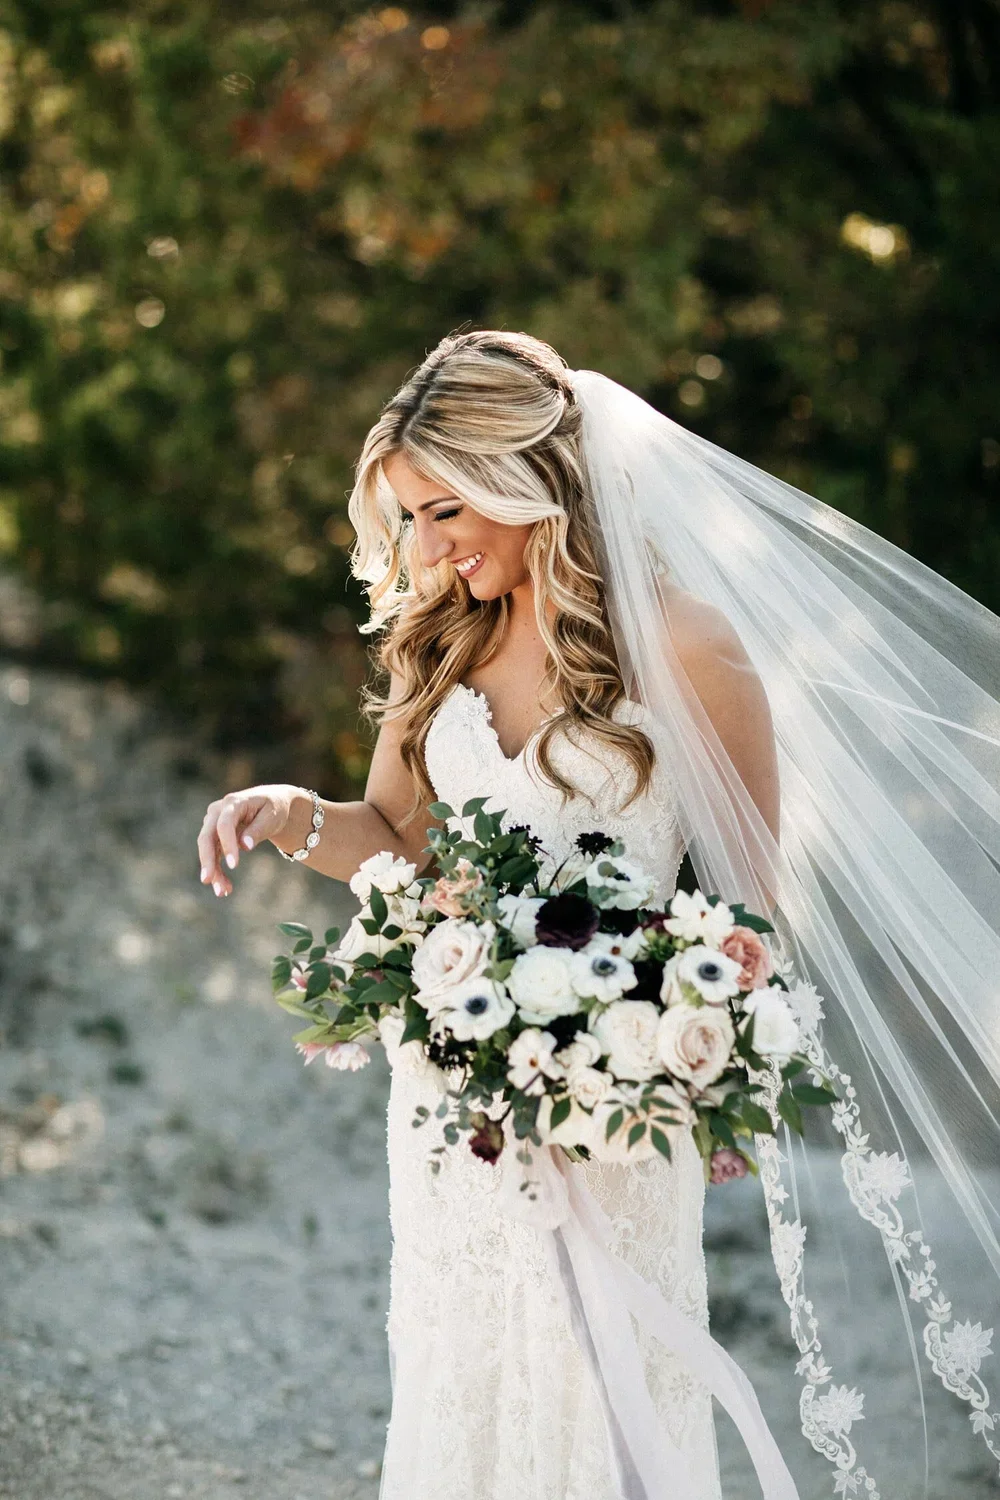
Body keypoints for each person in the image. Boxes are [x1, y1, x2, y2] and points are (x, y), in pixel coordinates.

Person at [198, 330, 1000, 1499]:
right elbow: (391, 834)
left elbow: (742, 909)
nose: (426, 548)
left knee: (605, 1380)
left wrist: (701, 1071)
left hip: (619, 1096)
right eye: (408, 519)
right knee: (464, 1365)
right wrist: (284, 814)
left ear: (526, 481)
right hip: (454, 1098)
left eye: (445, 512)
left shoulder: (687, 645)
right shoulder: (439, 640)